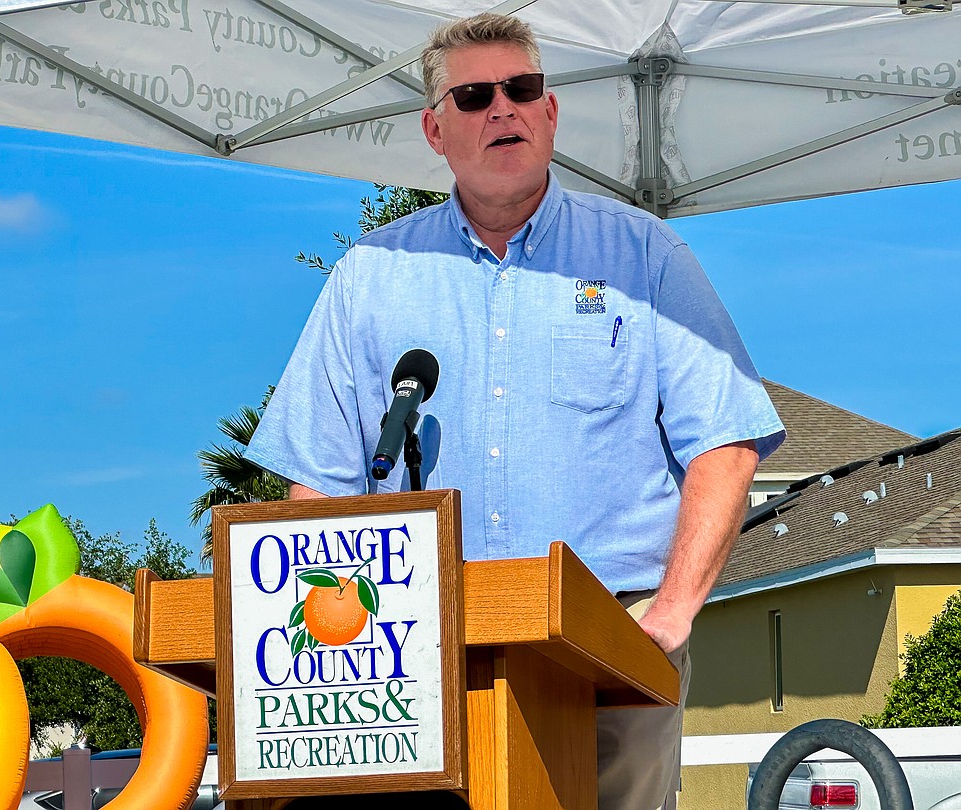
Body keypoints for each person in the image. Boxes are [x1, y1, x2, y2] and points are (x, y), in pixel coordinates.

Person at [244, 12, 784, 810]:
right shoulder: (370, 276)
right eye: (474, 96)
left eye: (522, 89)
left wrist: (670, 614)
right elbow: (318, 488)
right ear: (435, 130)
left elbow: (728, 442)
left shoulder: (645, 256)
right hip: (417, 652)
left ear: (550, 113)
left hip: (612, 644)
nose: (503, 107)